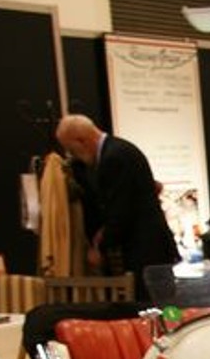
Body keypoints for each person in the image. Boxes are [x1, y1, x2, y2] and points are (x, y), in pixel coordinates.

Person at [54, 114, 180, 303]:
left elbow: (121, 211)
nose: (73, 156)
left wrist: (100, 247)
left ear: (81, 140)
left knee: (154, 308)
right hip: (150, 249)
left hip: (146, 252)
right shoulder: (118, 150)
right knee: (160, 305)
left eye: (72, 150)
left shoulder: (114, 158)